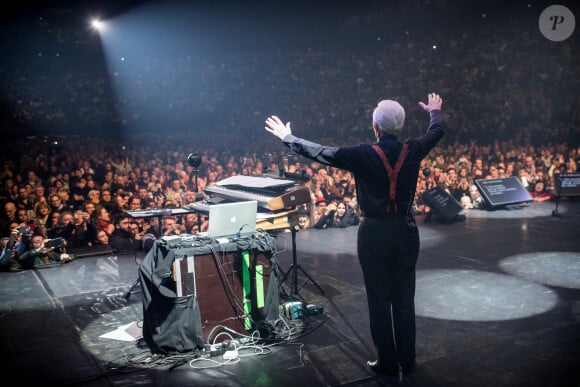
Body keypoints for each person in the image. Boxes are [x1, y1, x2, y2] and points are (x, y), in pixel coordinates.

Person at [265, 92, 444, 378]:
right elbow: (436, 131)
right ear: (399, 127)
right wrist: (434, 110)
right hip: (406, 231)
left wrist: (288, 137)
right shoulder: (413, 149)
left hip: (374, 234)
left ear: (376, 126)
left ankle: (387, 361)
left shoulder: (363, 154)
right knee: (404, 299)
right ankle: (407, 361)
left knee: (379, 299)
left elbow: (321, 152)